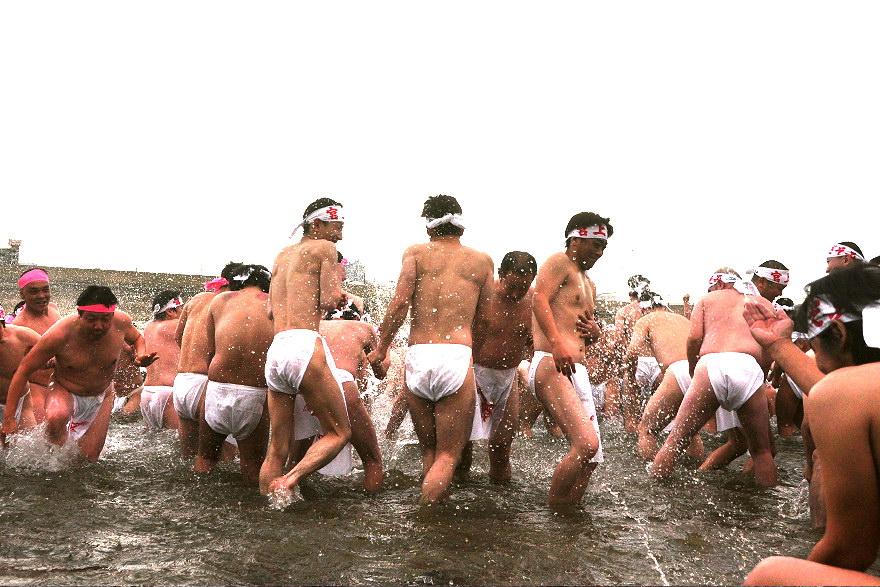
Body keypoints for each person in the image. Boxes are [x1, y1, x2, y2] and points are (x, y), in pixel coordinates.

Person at [744, 262, 880, 586]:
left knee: (769, 576)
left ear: (839, 334)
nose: (816, 360)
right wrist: (779, 345)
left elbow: (850, 551)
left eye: (814, 346)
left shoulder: (845, 392)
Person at [367, 195, 493, 504]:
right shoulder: (481, 261)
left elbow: (399, 304)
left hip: (418, 355)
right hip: (455, 355)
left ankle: (427, 514)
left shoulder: (415, 254)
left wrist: (382, 348)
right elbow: (487, 319)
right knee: (448, 456)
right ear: (461, 225)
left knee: (429, 451)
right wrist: (471, 355)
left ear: (428, 227)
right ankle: (428, 514)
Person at [651, 268, 778, 487]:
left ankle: (655, 491)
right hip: (748, 365)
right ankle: (766, 503)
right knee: (762, 451)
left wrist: (693, 368)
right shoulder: (763, 303)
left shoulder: (707, 300)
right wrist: (760, 377)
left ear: (718, 285)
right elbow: (770, 348)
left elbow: (694, 339)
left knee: (675, 442)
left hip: (711, 364)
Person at [261, 198, 353, 496]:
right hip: (303, 345)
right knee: (339, 432)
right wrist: (338, 296)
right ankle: (290, 480)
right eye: (337, 226)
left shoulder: (281, 255)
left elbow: (270, 311)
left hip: (277, 348)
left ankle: (269, 505)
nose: (340, 235)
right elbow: (328, 300)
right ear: (317, 224)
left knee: (277, 447)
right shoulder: (324, 249)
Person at [2, 286, 157, 461]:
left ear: (112, 315)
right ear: (80, 314)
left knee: (88, 460)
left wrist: (141, 353)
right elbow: (23, 371)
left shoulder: (121, 322)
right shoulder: (60, 333)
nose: (99, 326)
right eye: (91, 319)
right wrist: (9, 418)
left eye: (105, 319)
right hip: (65, 389)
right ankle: (53, 462)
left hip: (102, 394)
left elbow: (137, 338)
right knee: (56, 418)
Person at [529, 212, 610, 506]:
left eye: (603, 247)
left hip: (576, 368)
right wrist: (556, 343)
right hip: (552, 362)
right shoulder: (559, 262)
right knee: (586, 444)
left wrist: (596, 333)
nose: (600, 253)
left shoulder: (589, 283)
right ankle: (553, 513)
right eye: (595, 245)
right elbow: (539, 299)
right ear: (575, 240)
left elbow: (584, 331)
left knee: (593, 457)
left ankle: (568, 514)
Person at [194, 265, 274, 485]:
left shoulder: (220, 301)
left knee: (204, 460)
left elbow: (211, 350)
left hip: (217, 388)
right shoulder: (274, 304)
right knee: (252, 468)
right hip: (253, 394)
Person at [471, 251, 537, 482]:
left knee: (501, 449)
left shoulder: (534, 300)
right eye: (512, 287)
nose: (516, 294)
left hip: (508, 377)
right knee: (462, 451)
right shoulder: (481, 296)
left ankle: (501, 501)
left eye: (523, 287)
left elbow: (535, 341)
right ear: (500, 274)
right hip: (474, 374)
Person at [173, 262, 241, 457]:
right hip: (205, 385)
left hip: (182, 383)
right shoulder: (229, 303)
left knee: (187, 457)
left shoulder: (195, 299)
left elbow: (178, 337)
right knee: (222, 457)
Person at [629, 291, 702, 460]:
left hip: (677, 371)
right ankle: (697, 468)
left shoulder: (646, 320)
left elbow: (632, 352)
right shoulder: (683, 320)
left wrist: (630, 375)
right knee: (690, 431)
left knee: (646, 430)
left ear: (645, 309)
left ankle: (651, 472)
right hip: (699, 372)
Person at [11, 267, 61, 423]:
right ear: (22, 294)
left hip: (61, 384)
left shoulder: (54, 309)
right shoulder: (19, 325)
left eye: (45, 290)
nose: (41, 296)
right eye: (33, 291)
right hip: (36, 388)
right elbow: (13, 368)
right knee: (41, 434)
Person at [140, 291, 183, 430]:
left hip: (147, 393)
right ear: (171, 311)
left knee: (152, 440)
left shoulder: (149, 327)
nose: (183, 312)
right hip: (168, 392)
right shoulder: (177, 325)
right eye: (181, 308)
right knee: (177, 442)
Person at [0, 309, 40, 437]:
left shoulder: (22, 336)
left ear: (3, 323)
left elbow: (55, 351)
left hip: (21, 401)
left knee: (30, 443)